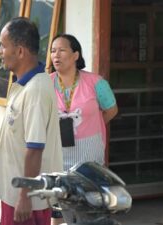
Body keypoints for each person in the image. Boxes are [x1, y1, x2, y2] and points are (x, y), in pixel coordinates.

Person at [0, 17, 63, 225]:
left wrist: (24, 197)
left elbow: (35, 149)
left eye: (3, 46)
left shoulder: (36, 90)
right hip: (16, 195)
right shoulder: (25, 85)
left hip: (26, 200)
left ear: (21, 51)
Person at [49, 34, 118, 225]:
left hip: (89, 156)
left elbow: (112, 110)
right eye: (53, 51)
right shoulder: (46, 84)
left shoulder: (96, 82)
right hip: (59, 155)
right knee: (59, 208)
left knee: (90, 208)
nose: (56, 55)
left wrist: (92, 125)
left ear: (75, 55)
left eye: (62, 50)